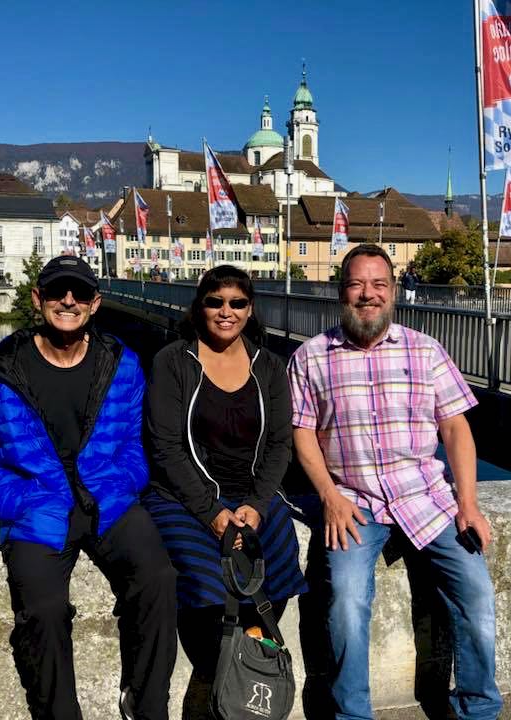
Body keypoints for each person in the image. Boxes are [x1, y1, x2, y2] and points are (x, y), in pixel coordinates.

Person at [0, 256, 177, 720]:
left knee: (159, 580)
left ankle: (147, 704)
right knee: (45, 612)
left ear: (95, 303)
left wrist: (120, 483)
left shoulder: (121, 364)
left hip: (108, 502)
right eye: (56, 291)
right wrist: (27, 500)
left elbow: (136, 447)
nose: (67, 301)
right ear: (38, 299)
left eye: (78, 293)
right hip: (39, 510)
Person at [287, 244, 502, 720]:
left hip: (425, 496)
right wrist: (328, 496)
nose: (368, 294)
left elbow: (455, 429)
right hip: (353, 501)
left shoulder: (426, 350)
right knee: (346, 602)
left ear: (394, 292)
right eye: (357, 285)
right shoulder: (310, 357)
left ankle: (478, 710)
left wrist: (468, 504)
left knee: (476, 592)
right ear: (341, 293)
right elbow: (302, 434)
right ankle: (353, 715)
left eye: (379, 284)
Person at [142, 264, 306, 719]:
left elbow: (279, 445)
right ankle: (224, 690)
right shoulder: (173, 362)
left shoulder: (268, 367)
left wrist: (257, 504)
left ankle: (250, 673)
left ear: (250, 310)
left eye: (237, 303)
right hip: (183, 497)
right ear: (200, 307)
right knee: (204, 578)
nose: (225, 311)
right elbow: (165, 448)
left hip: (251, 496)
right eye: (215, 302)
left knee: (279, 555)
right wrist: (211, 511)